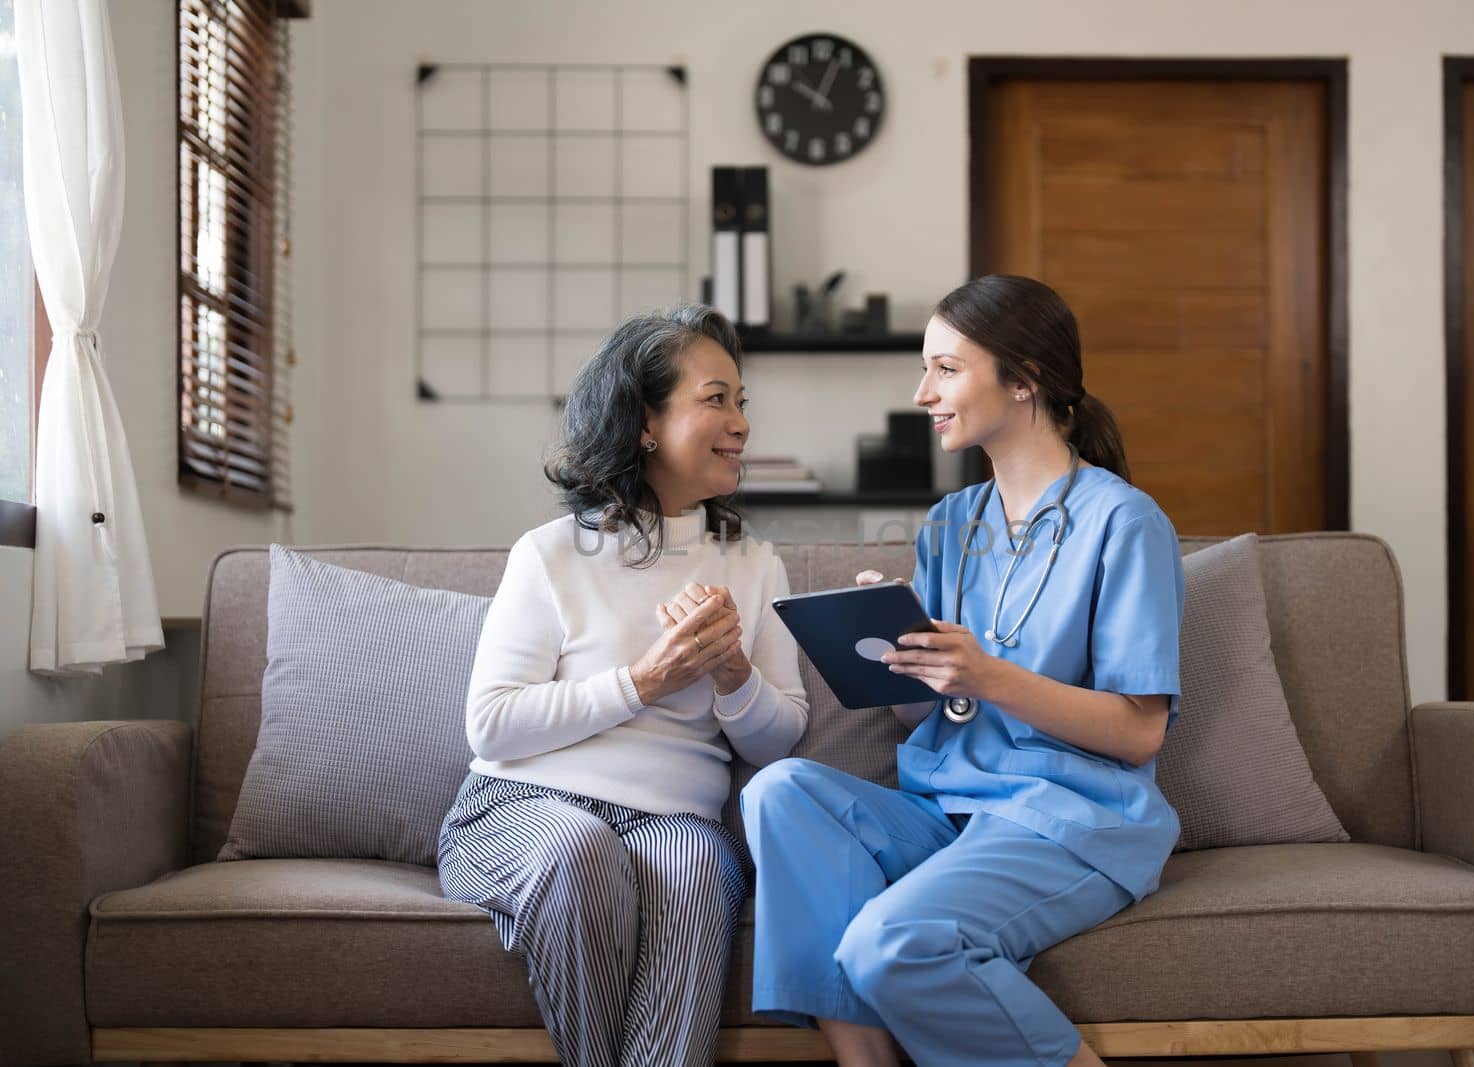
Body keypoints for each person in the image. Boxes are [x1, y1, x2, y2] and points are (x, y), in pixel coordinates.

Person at [741, 275, 1184, 1067]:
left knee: (892, 940)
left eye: (945, 369)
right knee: (779, 790)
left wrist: (987, 675)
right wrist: (898, 654)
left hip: (1069, 819)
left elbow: (1139, 732)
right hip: (949, 811)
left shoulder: (1124, 522)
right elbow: (935, 718)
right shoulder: (950, 525)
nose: (923, 393)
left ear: (1023, 378)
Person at [438, 304, 809, 1067]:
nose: (740, 422)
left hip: (672, 817)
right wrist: (645, 681)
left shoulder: (752, 563)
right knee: (578, 851)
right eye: (716, 399)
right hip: (523, 809)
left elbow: (781, 736)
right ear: (646, 420)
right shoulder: (552, 554)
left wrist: (733, 672)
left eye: (742, 402)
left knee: (702, 866)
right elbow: (492, 724)